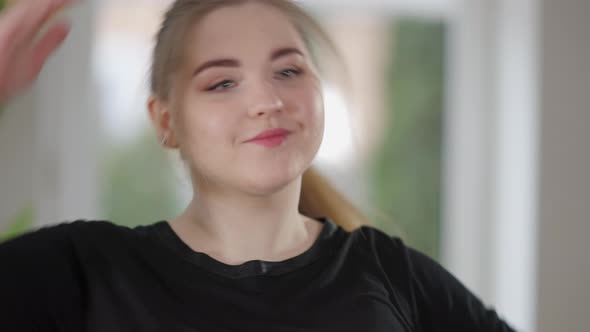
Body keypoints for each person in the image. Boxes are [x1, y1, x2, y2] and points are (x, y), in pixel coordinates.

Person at [0, 0, 517, 331]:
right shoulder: (84, 272)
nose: (267, 100)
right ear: (166, 121)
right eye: (222, 82)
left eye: (288, 70)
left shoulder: (391, 275)